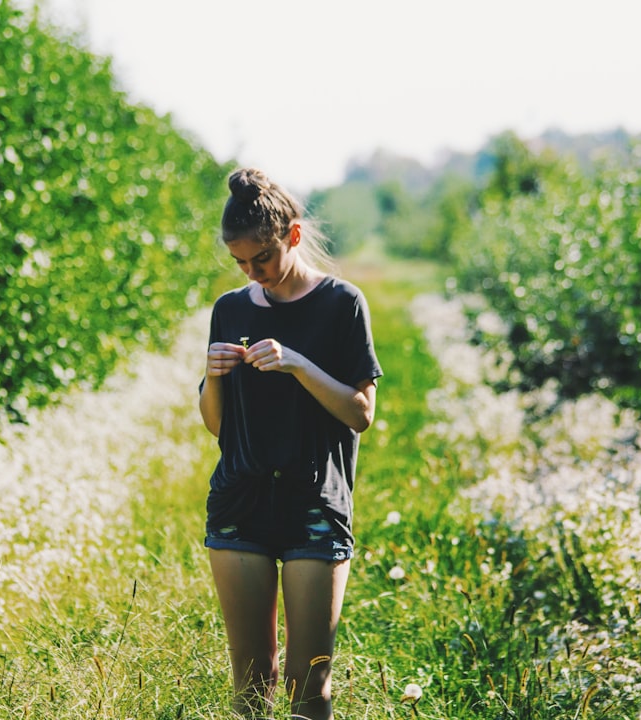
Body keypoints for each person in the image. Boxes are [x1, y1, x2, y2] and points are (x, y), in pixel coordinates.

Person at [199, 168, 382, 720]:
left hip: (316, 506)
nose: (254, 273)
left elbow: (360, 413)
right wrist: (212, 378)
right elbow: (215, 425)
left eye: (263, 258)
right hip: (240, 503)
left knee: (309, 687)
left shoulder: (343, 304)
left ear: (293, 237)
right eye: (241, 263)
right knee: (251, 687)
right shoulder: (230, 309)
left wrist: (299, 365)